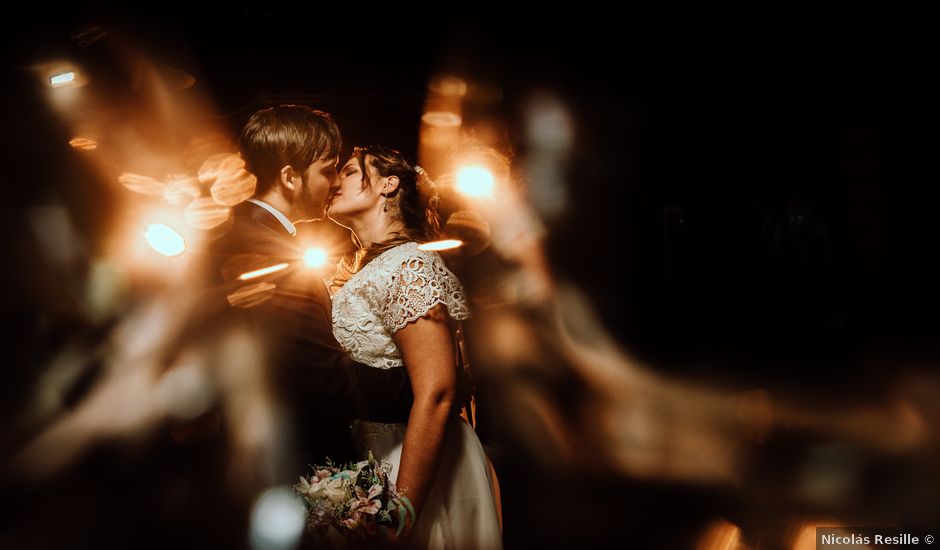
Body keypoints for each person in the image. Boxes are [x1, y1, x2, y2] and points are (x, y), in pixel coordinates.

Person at [207, 106, 415, 488]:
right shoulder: (265, 249)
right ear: (289, 177)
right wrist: (421, 383)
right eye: (328, 169)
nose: (335, 183)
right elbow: (324, 380)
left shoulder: (252, 234)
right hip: (288, 463)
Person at [326, 145, 502, 549]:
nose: (336, 181)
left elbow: (438, 391)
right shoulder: (370, 265)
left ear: (389, 184)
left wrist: (402, 508)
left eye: (351, 171)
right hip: (376, 460)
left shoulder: (409, 266)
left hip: (416, 467)